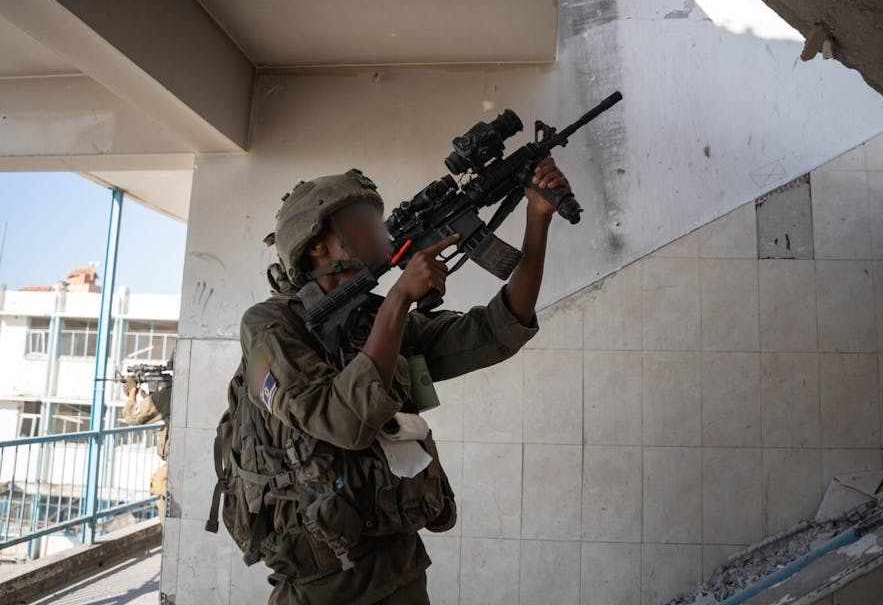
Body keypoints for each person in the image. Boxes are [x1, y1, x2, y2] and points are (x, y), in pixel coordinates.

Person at [240, 158, 568, 604]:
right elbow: (341, 423)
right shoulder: (269, 326)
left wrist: (537, 219)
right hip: (324, 582)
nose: (381, 229)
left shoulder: (375, 319)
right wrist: (398, 297)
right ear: (318, 245)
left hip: (401, 564)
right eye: (363, 220)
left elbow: (497, 333)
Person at [121, 360, 172, 521]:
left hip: (177, 466)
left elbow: (133, 417)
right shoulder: (184, 390)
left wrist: (131, 394)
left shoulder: (168, 395)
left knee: (163, 493)